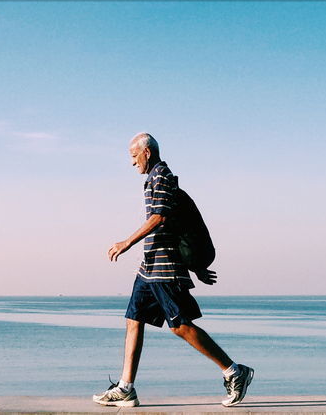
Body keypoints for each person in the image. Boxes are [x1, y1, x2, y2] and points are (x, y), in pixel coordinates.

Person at [93, 132, 254, 408]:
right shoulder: (152, 179)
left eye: (133, 157)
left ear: (146, 152)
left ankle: (234, 372)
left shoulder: (162, 176)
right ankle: (126, 388)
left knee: (180, 327)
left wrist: (127, 242)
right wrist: (195, 266)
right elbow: (175, 223)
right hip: (150, 267)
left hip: (165, 268)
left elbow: (162, 216)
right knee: (134, 320)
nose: (132, 163)